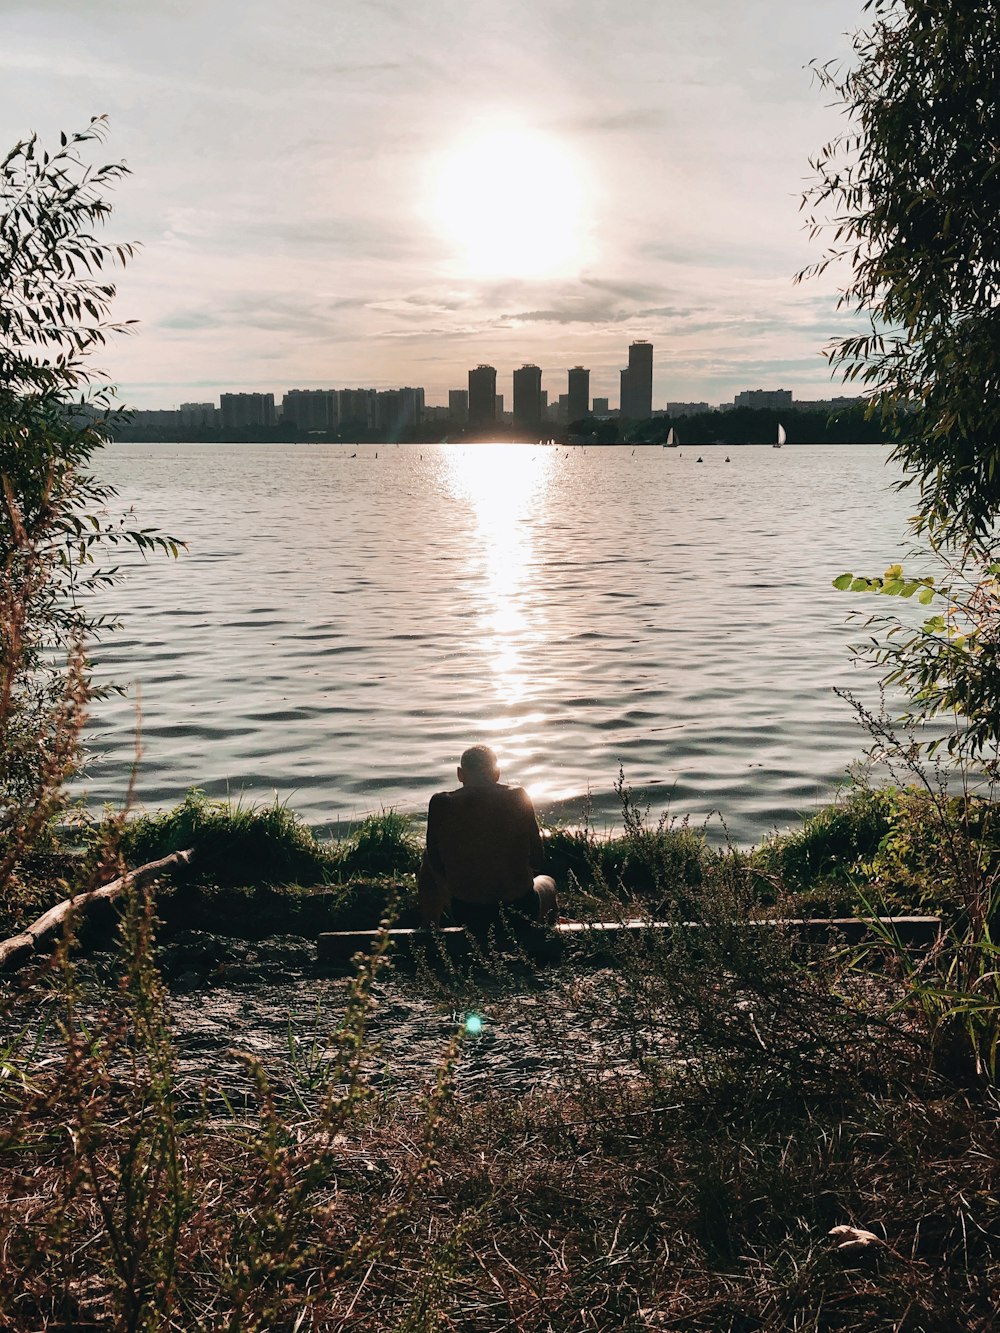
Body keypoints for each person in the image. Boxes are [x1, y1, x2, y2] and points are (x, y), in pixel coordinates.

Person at [418, 744, 557, 938]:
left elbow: (436, 862)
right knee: (548, 883)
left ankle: (430, 930)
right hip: (520, 910)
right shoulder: (518, 796)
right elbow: (537, 859)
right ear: (497, 773)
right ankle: (541, 942)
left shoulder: (441, 803)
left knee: (427, 858)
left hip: (468, 914)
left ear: (460, 773)